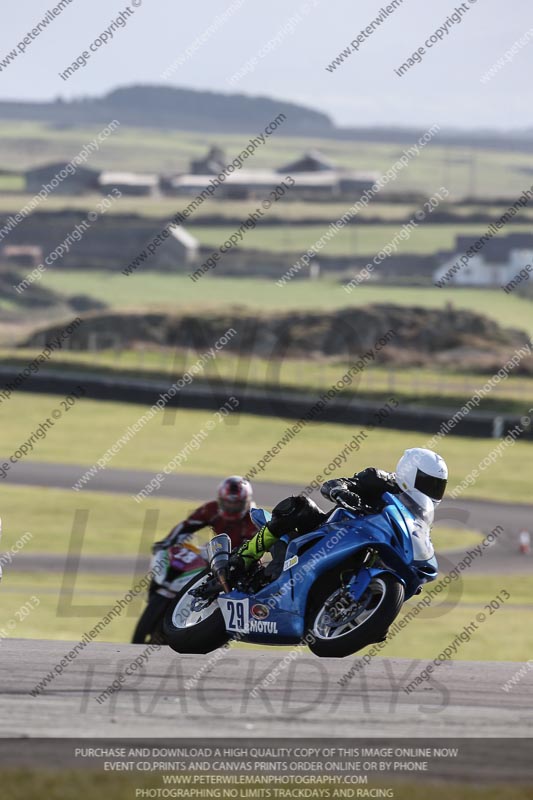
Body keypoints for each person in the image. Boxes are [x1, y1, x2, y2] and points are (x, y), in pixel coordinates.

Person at [231, 448, 448, 580]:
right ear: (410, 472)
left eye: (438, 486)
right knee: (298, 506)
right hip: (330, 531)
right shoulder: (379, 479)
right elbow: (335, 484)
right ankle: (245, 556)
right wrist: (342, 492)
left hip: (372, 550)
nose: (432, 491)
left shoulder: (418, 515)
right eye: (429, 483)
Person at [153, 476, 256, 553]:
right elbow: (187, 525)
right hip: (217, 554)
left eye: (236, 504)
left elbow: (256, 547)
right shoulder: (211, 509)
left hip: (244, 565)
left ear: (246, 502)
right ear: (220, 499)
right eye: (227, 503)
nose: (231, 508)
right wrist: (167, 542)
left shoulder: (254, 518)